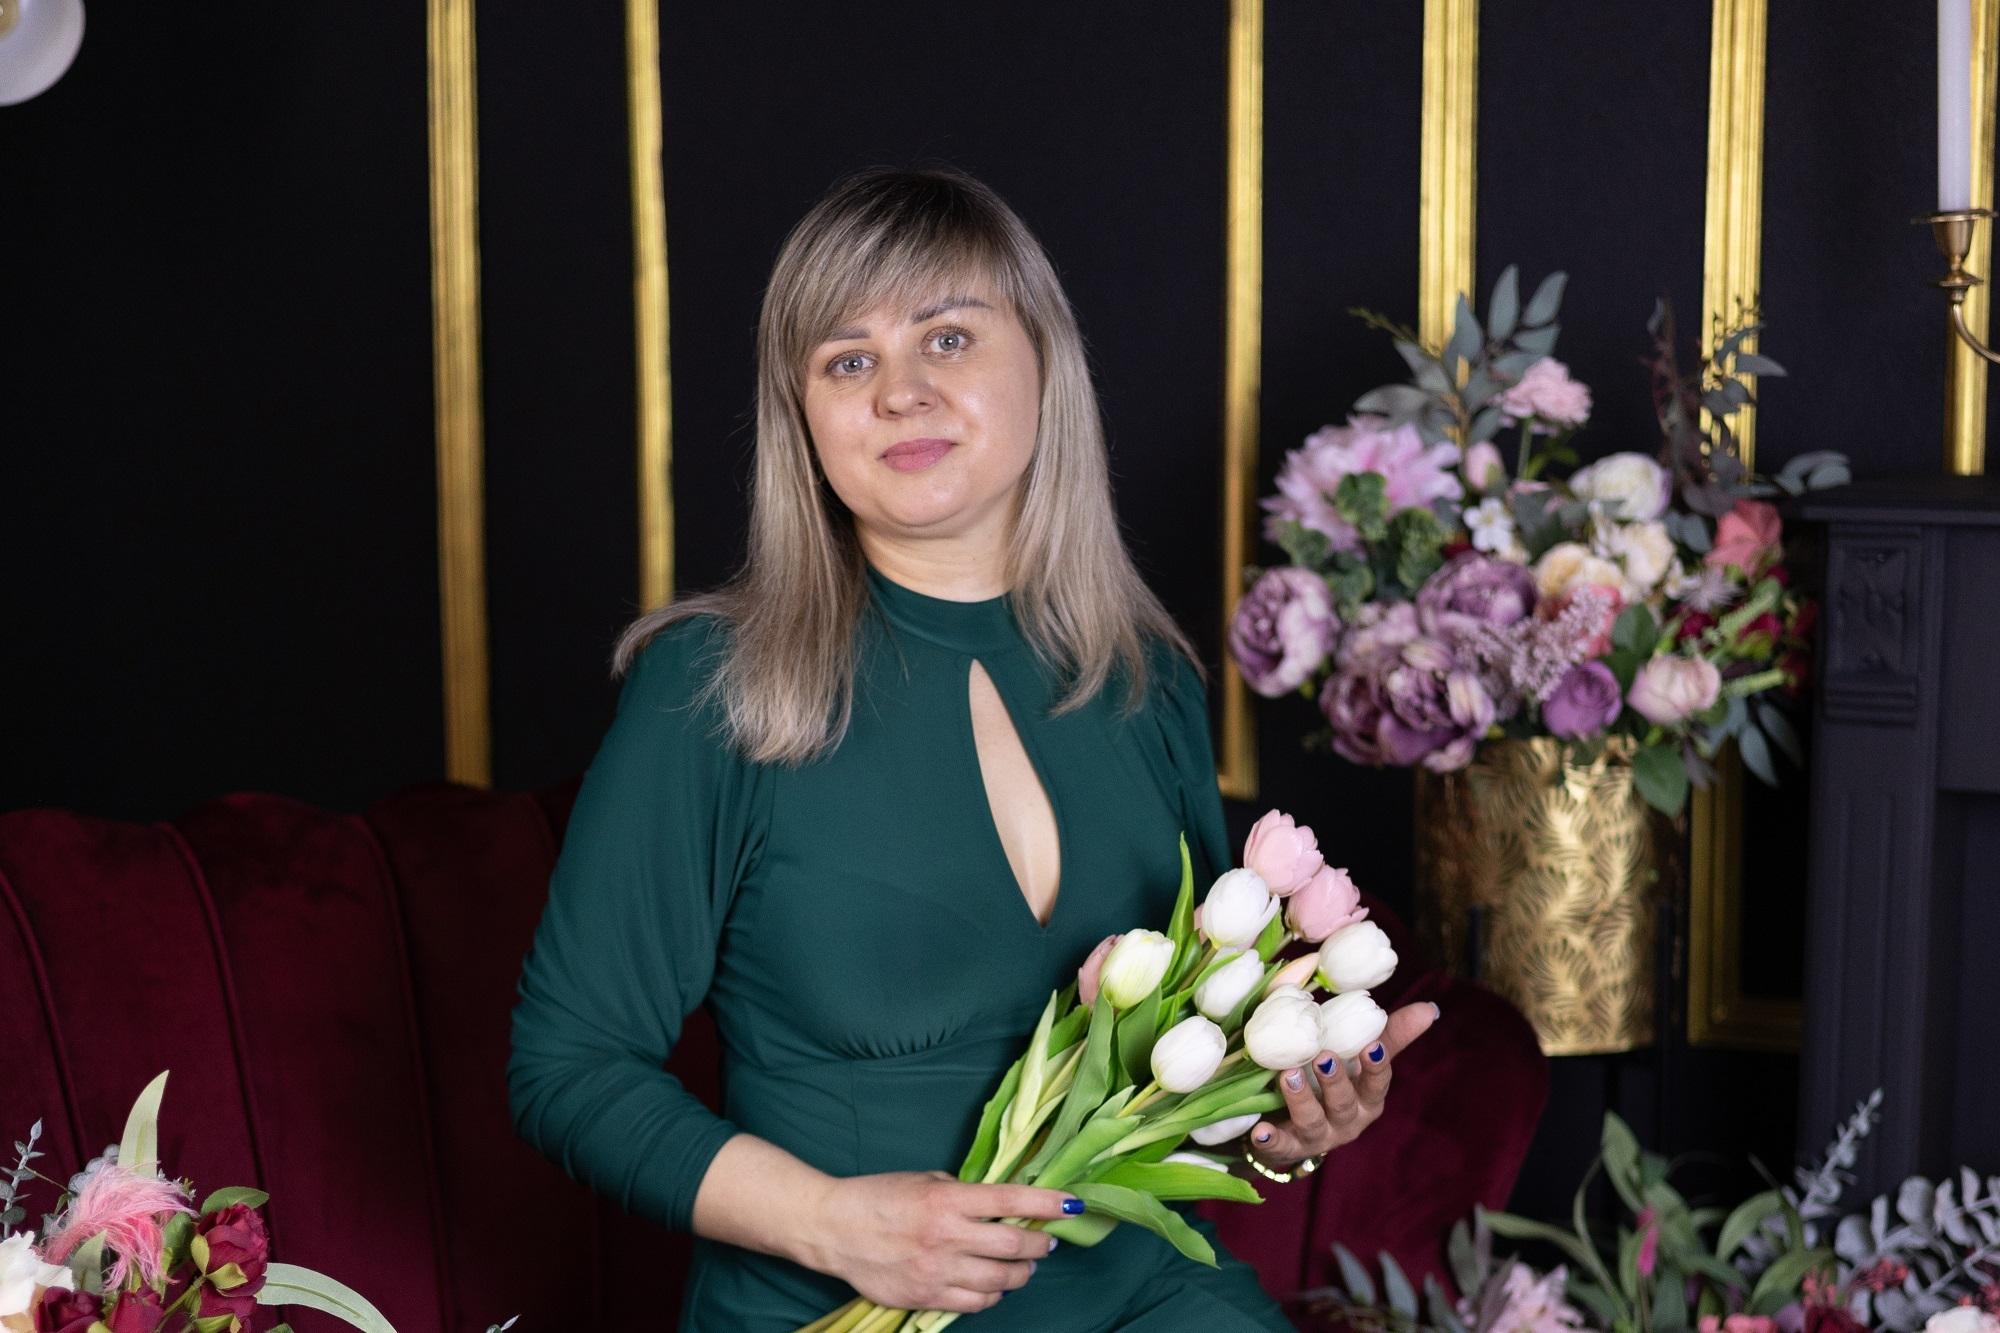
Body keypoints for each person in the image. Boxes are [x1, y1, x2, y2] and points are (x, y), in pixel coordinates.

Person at [507, 165, 1437, 1332]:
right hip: (829, 1305)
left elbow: (1179, 1085)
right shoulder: (712, 686)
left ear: (1044, 364)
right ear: (802, 418)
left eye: (946, 338)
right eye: (847, 361)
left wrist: (1276, 1129)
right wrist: (831, 1222)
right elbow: (568, 1066)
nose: (901, 392)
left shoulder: (1144, 681)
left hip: (1144, 1302)